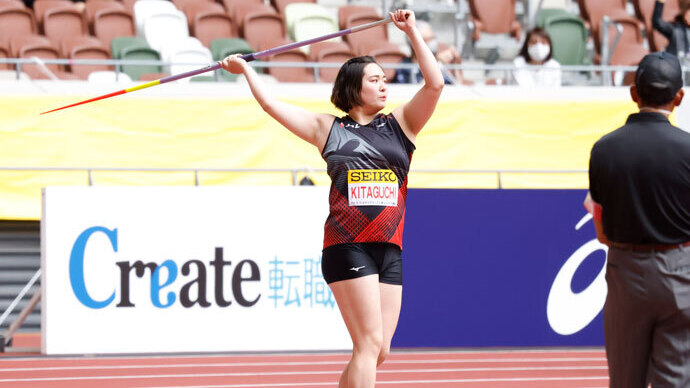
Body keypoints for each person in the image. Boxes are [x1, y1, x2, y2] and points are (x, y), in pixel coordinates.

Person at [220, 9, 443, 388]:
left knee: (379, 349)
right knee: (368, 345)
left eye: (384, 79)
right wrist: (247, 72)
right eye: (375, 79)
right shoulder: (329, 128)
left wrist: (411, 33)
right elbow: (273, 107)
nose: (384, 85)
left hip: (390, 247)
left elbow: (435, 84)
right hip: (347, 245)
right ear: (355, 88)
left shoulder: (402, 124)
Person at [586, 51, 690, 387]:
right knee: (676, 380)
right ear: (679, 97)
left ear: (634, 92)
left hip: (625, 272)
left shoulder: (604, 149)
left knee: (625, 380)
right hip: (680, 271)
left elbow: (601, 232)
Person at [393, 20, 471, 85]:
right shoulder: (405, 67)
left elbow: (458, 89)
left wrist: (456, 64)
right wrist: (438, 65)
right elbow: (416, 94)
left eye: (433, 38)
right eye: (428, 39)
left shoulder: (436, 61)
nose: (433, 42)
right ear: (414, 44)